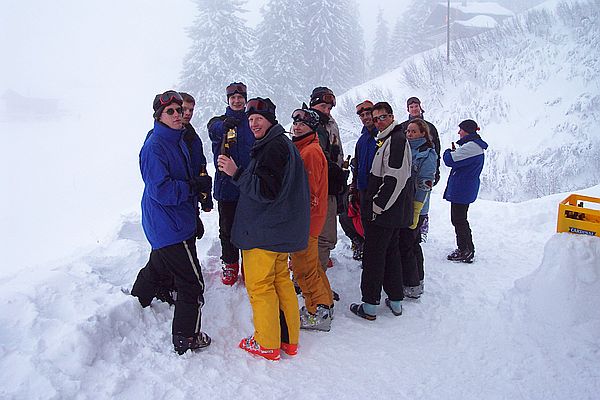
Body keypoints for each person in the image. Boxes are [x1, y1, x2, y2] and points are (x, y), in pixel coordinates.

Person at [217, 97, 310, 361]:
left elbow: (266, 191)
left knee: (260, 287)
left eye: (259, 118)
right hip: (279, 230)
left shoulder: (272, 148)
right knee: (281, 282)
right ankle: (288, 341)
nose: (254, 123)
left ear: (270, 120)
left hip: (264, 231)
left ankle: (267, 343)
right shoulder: (282, 144)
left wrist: (236, 173)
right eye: (250, 119)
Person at [131, 90, 212, 354]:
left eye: (180, 110)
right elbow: (162, 190)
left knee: (159, 266)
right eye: (171, 112)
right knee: (192, 284)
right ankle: (186, 339)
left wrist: (195, 208)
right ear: (159, 116)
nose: (179, 115)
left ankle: (136, 301)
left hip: (174, 220)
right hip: (169, 225)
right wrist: (191, 188)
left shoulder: (177, 138)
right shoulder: (156, 146)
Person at [350, 102, 413, 321]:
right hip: (393, 212)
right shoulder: (388, 138)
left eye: (382, 117)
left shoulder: (395, 141)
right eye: (375, 119)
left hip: (384, 211)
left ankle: (369, 305)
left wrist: (376, 206)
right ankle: (395, 300)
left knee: (374, 256)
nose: (378, 122)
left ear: (392, 116)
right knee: (390, 253)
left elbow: (394, 179)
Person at [289, 108, 334, 332]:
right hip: (309, 219)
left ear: (312, 128)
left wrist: (297, 219)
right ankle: (326, 304)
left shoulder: (310, 152)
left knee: (303, 269)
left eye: (302, 124)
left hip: (306, 221)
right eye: (295, 123)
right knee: (312, 265)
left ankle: (318, 311)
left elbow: (309, 192)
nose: (297, 127)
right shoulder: (306, 148)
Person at [207, 82, 254, 285]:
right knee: (227, 228)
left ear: (245, 99)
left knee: (250, 227)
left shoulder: (251, 122)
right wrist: (224, 125)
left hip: (248, 185)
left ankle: (249, 264)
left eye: (240, 98)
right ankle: (230, 263)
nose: (237, 101)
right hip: (227, 187)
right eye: (233, 98)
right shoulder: (219, 122)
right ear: (228, 100)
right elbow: (213, 128)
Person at [308, 86, 346, 271]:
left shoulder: (329, 123)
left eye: (329, 108)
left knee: (321, 237)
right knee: (323, 237)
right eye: (323, 106)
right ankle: (315, 283)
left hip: (330, 186)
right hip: (318, 189)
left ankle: (311, 271)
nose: (327, 111)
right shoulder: (307, 125)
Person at [399, 119, 437, 299]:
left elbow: (425, 183)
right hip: (404, 204)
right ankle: (412, 280)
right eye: (408, 131)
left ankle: (414, 283)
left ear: (423, 133)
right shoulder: (406, 149)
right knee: (408, 243)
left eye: (414, 131)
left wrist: (417, 209)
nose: (410, 134)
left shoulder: (427, 153)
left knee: (410, 244)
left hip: (416, 206)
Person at [443, 119, 488, 263]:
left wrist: (448, 151)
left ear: (467, 131)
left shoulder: (471, 147)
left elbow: (449, 160)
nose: (459, 132)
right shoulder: (473, 146)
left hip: (462, 188)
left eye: (461, 130)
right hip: (465, 187)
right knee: (459, 219)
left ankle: (466, 250)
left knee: (459, 220)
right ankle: (465, 248)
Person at [399, 97, 441, 242]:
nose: (414, 109)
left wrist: (437, 170)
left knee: (423, 198)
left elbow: (436, 150)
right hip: (405, 188)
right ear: (408, 109)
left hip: (423, 171)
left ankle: (422, 227)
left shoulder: (430, 128)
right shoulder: (403, 127)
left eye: (416, 106)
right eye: (411, 107)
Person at [343, 100, 379, 261]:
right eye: (362, 115)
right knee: (350, 216)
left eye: (368, 114)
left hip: (378, 191)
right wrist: (353, 187)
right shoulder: (363, 140)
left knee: (375, 227)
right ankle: (362, 245)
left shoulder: (383, 136)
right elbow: (357, 167)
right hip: (363, 189)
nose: (365, 118)